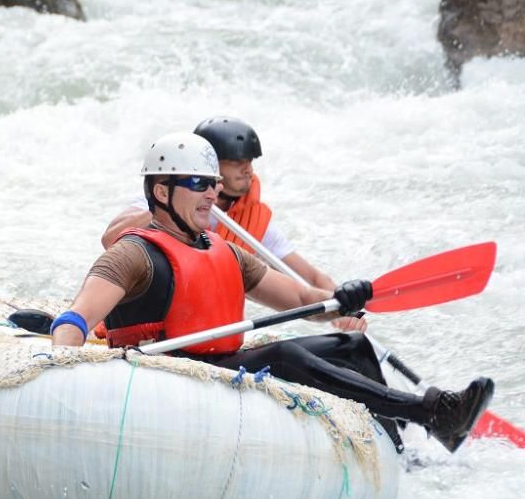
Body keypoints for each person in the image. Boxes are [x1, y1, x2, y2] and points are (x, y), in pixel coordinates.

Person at [50, 131, 494, 453]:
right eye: (199, 184)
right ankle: (433, 411)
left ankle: (399, 449)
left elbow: (304, 303)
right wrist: (62, 367)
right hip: (164, 374)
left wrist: (344, 296)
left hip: (217, 364)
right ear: (161, 192)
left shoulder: (224, 252)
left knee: (353, 346)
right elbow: (75, 319)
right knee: (284, 357)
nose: (212, 194)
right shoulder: (134, 254)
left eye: (214, 184)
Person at [100, 116, 363, 332]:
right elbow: (111, 239)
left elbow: (310, 281)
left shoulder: (252, 222)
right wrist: (171, 206)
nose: (247, 170)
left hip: (206, 327)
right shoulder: (166, 195)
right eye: (236, 162)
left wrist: (341, 303)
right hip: (154, 323)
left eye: (249, 161)